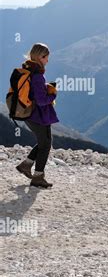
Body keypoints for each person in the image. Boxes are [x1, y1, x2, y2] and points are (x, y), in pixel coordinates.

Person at [16, 43, 59, 188]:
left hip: (29, 114)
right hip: (38, 115)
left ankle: (26, 165)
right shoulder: (38, 75)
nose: (47, 60)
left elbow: (34, 92)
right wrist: (52, 95)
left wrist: (45, 87)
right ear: (41, 57)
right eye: (46, 57)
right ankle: (38, 177)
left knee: (44, 142)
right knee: (46, 144)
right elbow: (41, 101)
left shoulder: (28, 70)